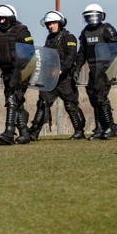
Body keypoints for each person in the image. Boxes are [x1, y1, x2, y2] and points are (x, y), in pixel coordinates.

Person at [23, 11, 86, 143]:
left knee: (70, 105)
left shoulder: (69, 38)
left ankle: (79, 131)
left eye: (53, 23)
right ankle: (33, 133)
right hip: (49, 78)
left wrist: (61, 69)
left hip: (65, 79)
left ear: (60, 23)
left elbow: (71, 56)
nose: (51, 26)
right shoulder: (49, 39)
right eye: (49, 24)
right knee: (43, 104)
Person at [0, 4, 34, 145]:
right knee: (16, 102)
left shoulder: (22, 31)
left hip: (22, 70)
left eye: (4, 18)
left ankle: (9, 132)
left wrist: (24, 72)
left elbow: (30, 52)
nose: (1, 21)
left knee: (12, 98)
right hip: (7, 73)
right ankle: (24, 134)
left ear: (11, 18)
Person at [74, 4, 117, 140]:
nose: (92, 19)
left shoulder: (107, 29)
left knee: (101, 97)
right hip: (93, 70)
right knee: (94, 99)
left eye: (94, 16)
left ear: (101, 16)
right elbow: (82, 53)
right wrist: (77, 69)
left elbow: (115, 49)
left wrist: (109, 67)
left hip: (106, 69)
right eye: (89, 17)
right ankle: (99, 128)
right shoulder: (85, 32)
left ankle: (110, 127)